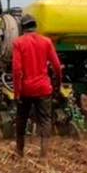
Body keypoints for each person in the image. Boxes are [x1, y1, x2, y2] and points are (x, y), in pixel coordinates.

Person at [11, 14, 62, 158]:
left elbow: (16, 70)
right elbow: (57, 66)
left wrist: (17, 92)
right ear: (35, 26)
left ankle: (20, 151)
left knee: (21, 118)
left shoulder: (18, 43)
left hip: (26, 89)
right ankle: (43, 154)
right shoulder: (46, 42)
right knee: (45, 120)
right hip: (43, 88)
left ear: (23, 27)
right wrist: (57, 83)